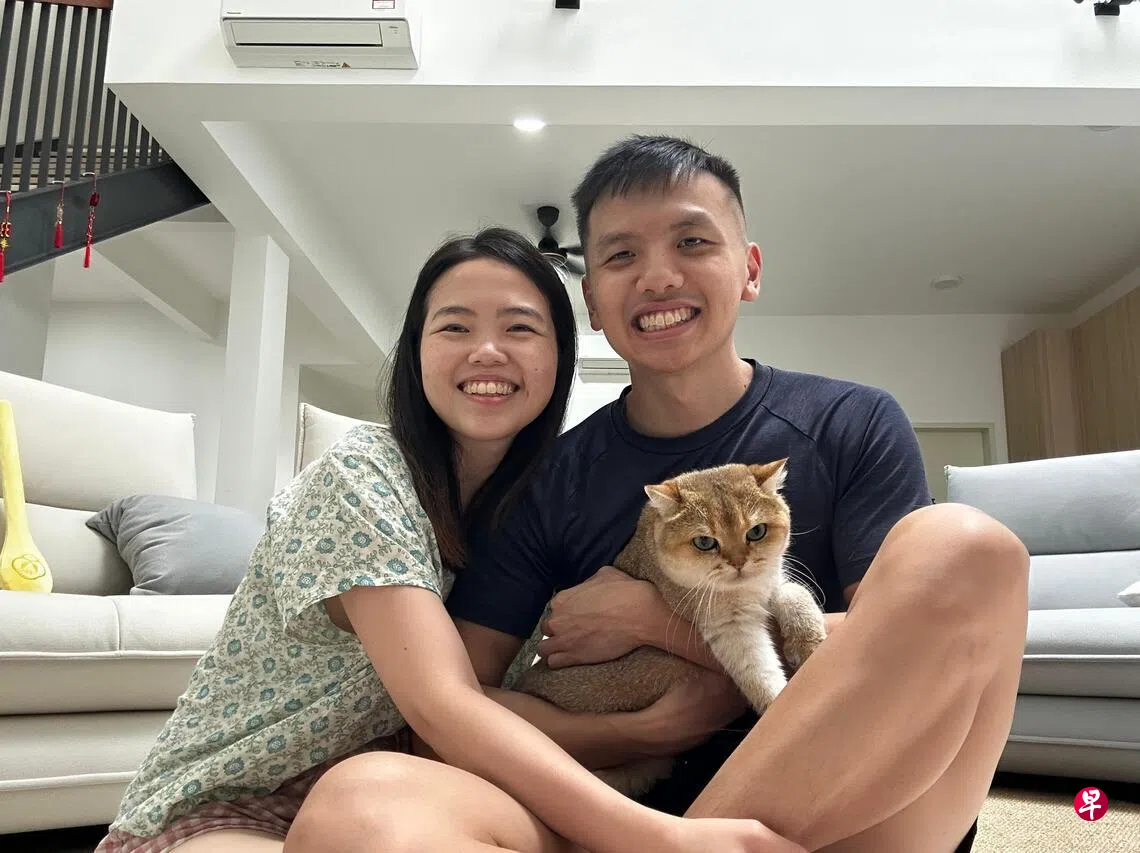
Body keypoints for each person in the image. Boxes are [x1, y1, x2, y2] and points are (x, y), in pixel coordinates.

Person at [94, 228, 793, 853]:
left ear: (560, 357)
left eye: (520, 328)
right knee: (363, 819)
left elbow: (498, 702)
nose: (487, 351)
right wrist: (660, 816)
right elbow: (444, 704)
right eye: (454, 327)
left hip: (430, 787)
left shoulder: (545, 497)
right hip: (235, 805)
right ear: (416, 352)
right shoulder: (363, 476)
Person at [444, 136, 1032, 853]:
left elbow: (909, 642)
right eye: (621, 255)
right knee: (364, 798)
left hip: (858, 804)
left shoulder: (852, 422)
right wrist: (635, 733)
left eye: (692, 241)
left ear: (749, 269)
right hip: (631, 816)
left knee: (969, 547)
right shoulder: (549, 478)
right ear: (591, 300)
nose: (659, 277)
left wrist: (657, 621)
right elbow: (459, 703)